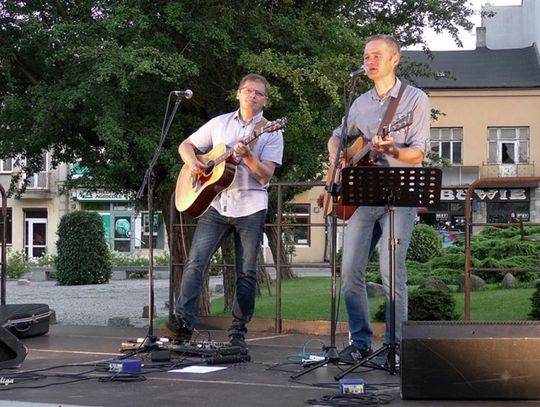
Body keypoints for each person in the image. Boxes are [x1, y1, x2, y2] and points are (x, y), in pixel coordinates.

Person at [327, 34, 430, 363]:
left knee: (391, 272)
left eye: (376, 56)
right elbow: (337, 136)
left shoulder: (414, 100)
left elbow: (418, 154)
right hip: (365, 195)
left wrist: (393, 149)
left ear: (394, 59)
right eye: (366, 56)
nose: (369, 61)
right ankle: (360, 342)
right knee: (349, 272)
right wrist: (338, 157)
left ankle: (395, 348)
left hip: (400, 195)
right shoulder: (360, 104)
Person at [161, 74, 284, 348]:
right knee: (195, 262)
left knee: (246, 272)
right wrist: (193, 163)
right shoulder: (219, 123)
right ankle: (182, 324)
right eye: (248, 91)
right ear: (238, 94)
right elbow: (186, 145)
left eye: (259, 93)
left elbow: (265, 176)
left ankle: (238, 332)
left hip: (251, 207)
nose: (252, 96)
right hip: (216, 204)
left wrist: (248, 157)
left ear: (265, 100)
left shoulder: (272, 131)